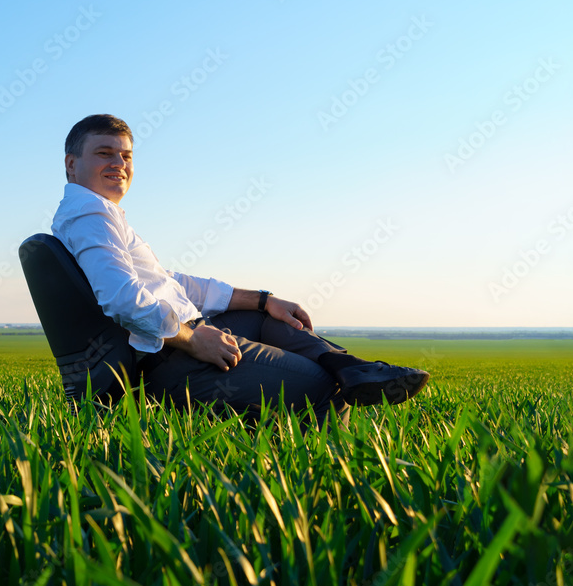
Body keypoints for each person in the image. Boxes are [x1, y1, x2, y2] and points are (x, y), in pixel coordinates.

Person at [51, 114, 429, 426]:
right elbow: (123, 300)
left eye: (126, 156)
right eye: (105, 153)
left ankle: (351, 367)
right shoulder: (90, 215)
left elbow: (171, 284)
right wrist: (193, 340)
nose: (119, 164)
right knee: (323, 388)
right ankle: (333, 474)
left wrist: (262, 300)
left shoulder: (101, 216)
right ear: (72, 163)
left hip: (181, 342)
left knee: (269, 319)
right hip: (173, 360)